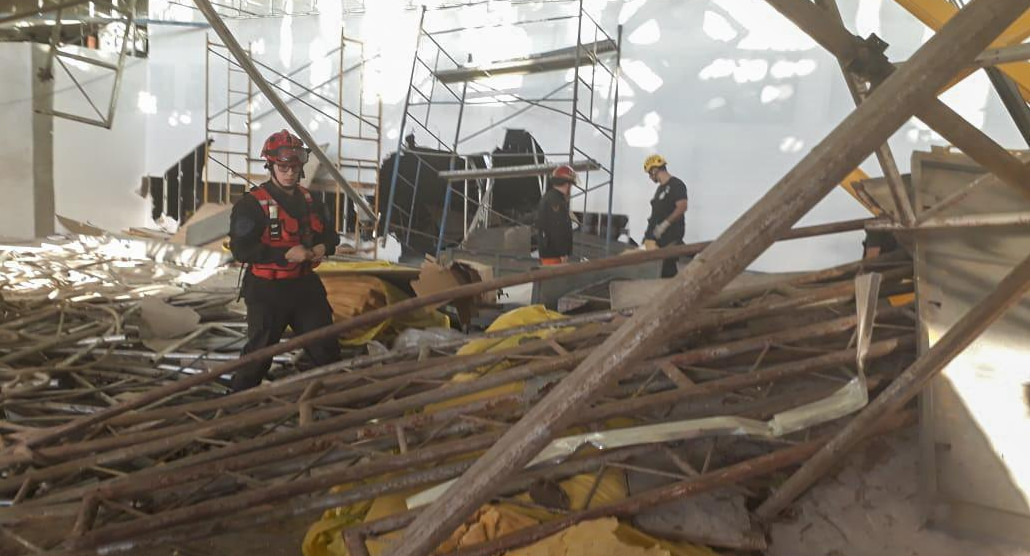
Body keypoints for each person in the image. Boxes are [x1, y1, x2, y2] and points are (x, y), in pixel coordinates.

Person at [228, 129, 341, 391]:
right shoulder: (250, 205)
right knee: (258, 356)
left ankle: (334, 400)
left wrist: (325, 246)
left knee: (325, 348)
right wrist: (284, 255)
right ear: (270, 165)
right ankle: (233, 404)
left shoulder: (312, 201)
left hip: (305, 289)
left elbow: (331, 236)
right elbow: (241, 250)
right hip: (267, 291)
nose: (289, 173)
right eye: (283, 167)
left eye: (294, 167)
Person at [642, 154, 688, 278]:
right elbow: (656, 215)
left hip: (670, 240)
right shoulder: (660, 190)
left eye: (649, 173)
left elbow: (682, 207)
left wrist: (665, 224)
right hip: (659, 243)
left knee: (668, 274)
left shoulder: (676, 185)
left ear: (655, 170)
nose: (650, 177)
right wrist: (648, 236)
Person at [536, 165, 576, 265]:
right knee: (555, 279)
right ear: (567, 184)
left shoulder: (551, 198)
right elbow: (557, 228)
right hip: (554, 254)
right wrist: (563, 253)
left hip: (551, 252)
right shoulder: (556, 200)